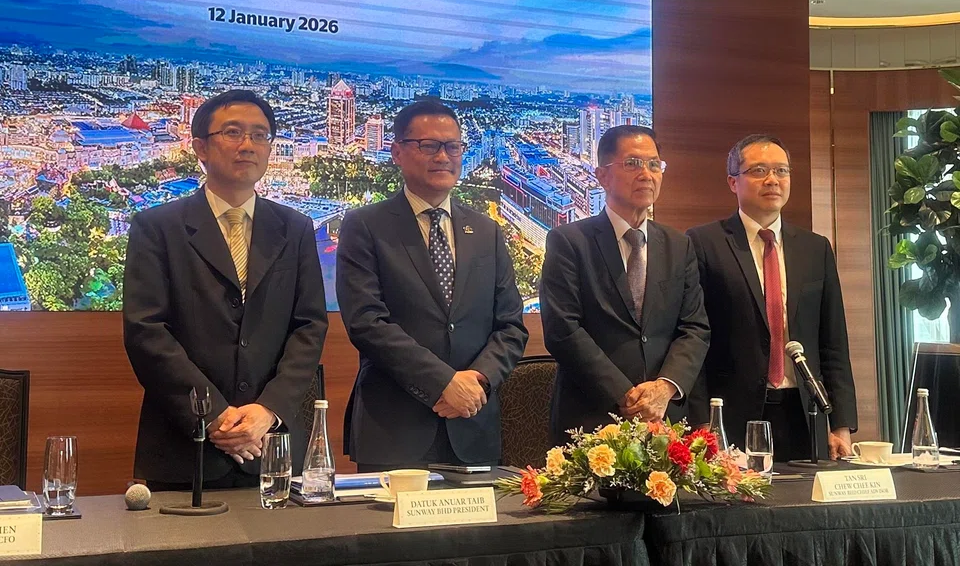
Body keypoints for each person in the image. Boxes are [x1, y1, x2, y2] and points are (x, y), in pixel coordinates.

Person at [123, 89, 328, 490]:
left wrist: (267, 411)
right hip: (186, 446)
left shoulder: (296, 228)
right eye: (233, 132)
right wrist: (215, 415)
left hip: (273, 445)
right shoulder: (157, 227)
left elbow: (309, 327)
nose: (247, 145)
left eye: (260, 135)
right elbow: (146, 331)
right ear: (200, 146)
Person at [336, 100, 528, 472]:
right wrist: (443, 382)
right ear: (397, 152)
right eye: (428, 145)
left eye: (452, 146)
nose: (443, 156)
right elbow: (366, 323)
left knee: (474, 533)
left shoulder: (486, 231)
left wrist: (477, 381)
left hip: (473, 425)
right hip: (395, 430)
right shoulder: (366, 226)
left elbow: (511, 326)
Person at [687, 134, 857, 460]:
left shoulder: (815, 248)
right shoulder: (703, 243)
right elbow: (694, 338)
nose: (772, 180)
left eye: (781, 170)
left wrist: (841, 423)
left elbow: (833, 342)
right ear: (732, 182)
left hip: (805, 413)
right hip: (732, 414)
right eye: (759, 170)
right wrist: (701, 421)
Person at [540, 125, 710, 444]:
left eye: (654, 164)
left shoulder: (678, 244)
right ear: (602, 176)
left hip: (666, 420)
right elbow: (563, 329)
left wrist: (665, 387)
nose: (646, 174)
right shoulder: (569, 241)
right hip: (592, 417)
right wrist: (626, 394)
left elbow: (695, 327)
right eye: (632, 163)